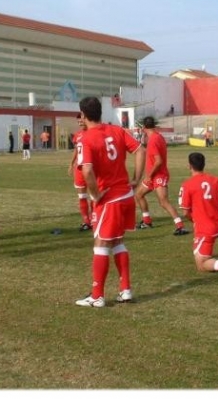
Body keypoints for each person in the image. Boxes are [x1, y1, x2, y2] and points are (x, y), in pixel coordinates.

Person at [74, 96, 146, 308]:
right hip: (126, 195)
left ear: (83, 115)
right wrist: (137, 178)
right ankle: (125, 290)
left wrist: (95, 195)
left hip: (110, 199)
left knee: (101, 244)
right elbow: (140, 150)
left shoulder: (85, 138)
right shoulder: (116, 130)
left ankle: (97, 296)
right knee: (117, 242)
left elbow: (87, 170)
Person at [135, 116, 189, 236]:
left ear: (143, 127)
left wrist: (149, 175)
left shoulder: (153, 140)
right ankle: (147, 221)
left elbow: (158, 161)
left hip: (158, 175)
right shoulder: (158, 136)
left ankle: (180, 226)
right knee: (139, 194)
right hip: (153, 175)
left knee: (163, 202)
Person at [68, 113, 92, 231]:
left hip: (91, 168)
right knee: (82, 196)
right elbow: (76, 150)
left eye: (81, 120)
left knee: (94, 195)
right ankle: (86, 222)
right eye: (78, 122)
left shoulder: (93, 133)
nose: (80, 123)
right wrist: (71, 163)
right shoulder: (78, 135)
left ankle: (95, 219)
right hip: (79, 169)